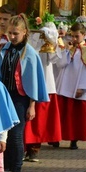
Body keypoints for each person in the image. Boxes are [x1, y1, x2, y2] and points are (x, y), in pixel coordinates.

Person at [0, 14, 48, 172]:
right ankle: (7, 164)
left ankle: (16, 170)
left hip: (20, 97)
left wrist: (32, 105)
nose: (12, 36)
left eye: (15, 34)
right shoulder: (5, 49)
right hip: (5, 96)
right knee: (4, 132)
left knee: (16, 134)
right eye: (9, 33)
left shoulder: (29, 53)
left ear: (24, 32)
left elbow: (33, 79)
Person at [56, 23, 86, 149]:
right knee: (62, 114)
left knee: (76, 116)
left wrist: (82, 87)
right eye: (72, 36)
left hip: (77, 88)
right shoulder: (69, 49)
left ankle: (74, 139)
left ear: (84, 35)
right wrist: (67, 53)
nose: (74, 39)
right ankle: (57, 137)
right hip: (64, 85)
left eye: (77, 36)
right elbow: (60, 65)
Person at [23, 22, 63, 162]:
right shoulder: (27, 43)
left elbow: (56, 59)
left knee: (38, 120)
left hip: (45, 84)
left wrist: (52, 41)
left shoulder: (48, 45)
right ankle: (22, 148)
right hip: (26, 84)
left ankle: (34, 148)